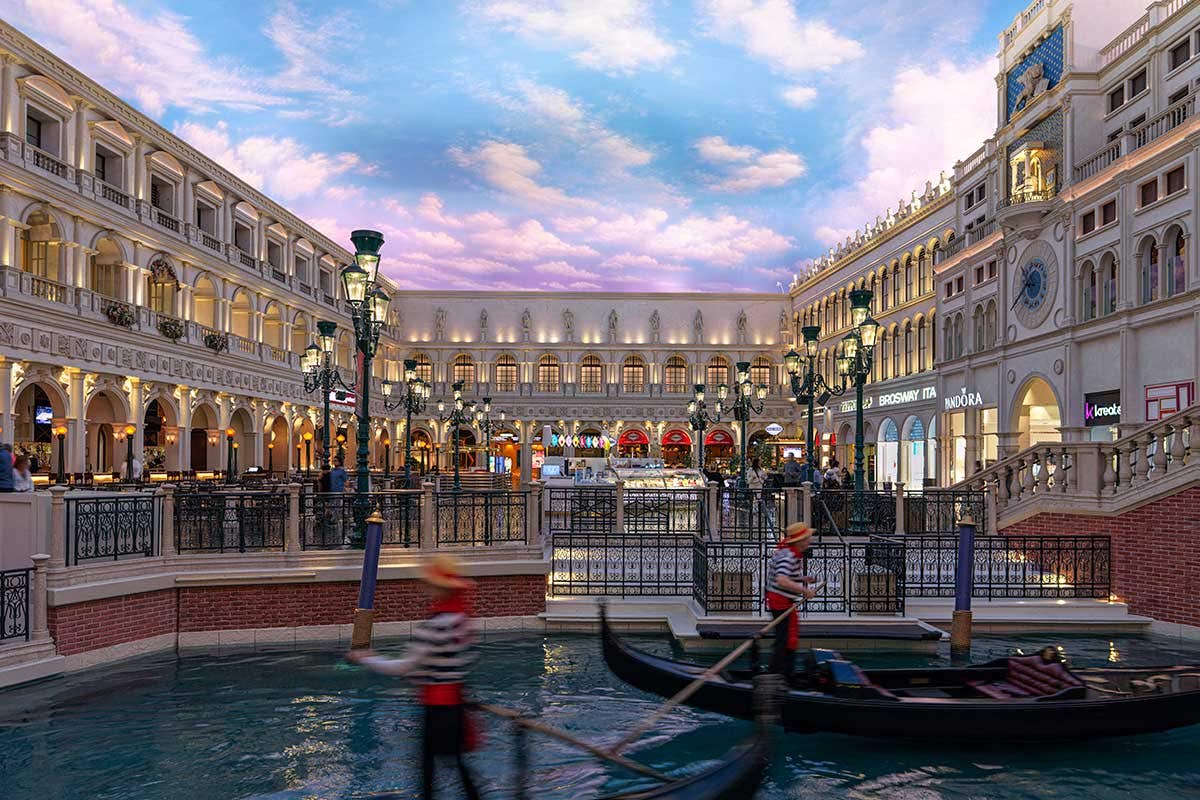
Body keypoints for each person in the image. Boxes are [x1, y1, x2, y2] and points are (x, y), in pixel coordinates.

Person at [347, 555, 481, 800]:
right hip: (456, 708)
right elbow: (462, 661)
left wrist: (366, 657)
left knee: (428, 772)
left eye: (429, 585)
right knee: (458, 767)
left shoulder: (433, 626)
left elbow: (404, 666)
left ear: (438, 588)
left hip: (438, 711)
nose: (425, 589)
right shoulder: (463, 621)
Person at [765, 523, 819, 680]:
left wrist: (803, 579)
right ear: (800, 541)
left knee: (787, 636)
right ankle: (777, 674)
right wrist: (805, 591)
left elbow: (785, 576)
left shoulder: (789, 553)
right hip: (779, 601)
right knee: (783, 639)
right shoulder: (789, 556)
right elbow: (782, 580)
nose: (809, 541)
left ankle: (784, 672)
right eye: (807, 538)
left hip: (781, 600)